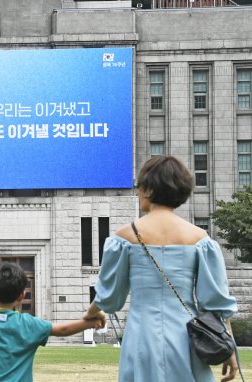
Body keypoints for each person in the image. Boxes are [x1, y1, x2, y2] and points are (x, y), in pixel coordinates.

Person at [83, 156, 239, 382]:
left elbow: (110, 298)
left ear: (148, 189)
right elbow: (216, 303)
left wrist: (91, 313)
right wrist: (229, 347)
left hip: (141, 335)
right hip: (187, 337)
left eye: (138, 187)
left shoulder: (124, 238)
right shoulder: (200, 239)